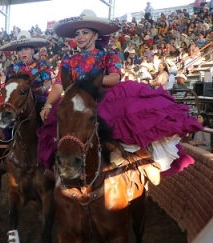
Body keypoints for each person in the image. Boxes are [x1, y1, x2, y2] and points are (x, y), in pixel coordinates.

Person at [38, 10, 203, 185]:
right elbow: (57, 85)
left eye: (85, 32)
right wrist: (48, 104)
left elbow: (115, 77)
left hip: (102, 95)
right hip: (76, 100)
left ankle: (140, 158)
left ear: (95, 34)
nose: (80, 36)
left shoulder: (109, 54)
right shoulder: (67, 60)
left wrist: (90, 82)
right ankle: (59, 165)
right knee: (57, 119)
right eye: (77, 33)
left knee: (119, 111)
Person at [0, 30, 51, 126]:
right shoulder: (13, 68)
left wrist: (43, 88)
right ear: (17, 53)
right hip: (17, 101)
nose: (23, 52)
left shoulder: (41, 65)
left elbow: (48, 83)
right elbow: (7, 86)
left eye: (26, 49)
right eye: (20, 50)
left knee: (47, 120)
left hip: (38, 100)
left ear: (32, 50)